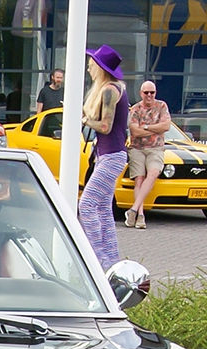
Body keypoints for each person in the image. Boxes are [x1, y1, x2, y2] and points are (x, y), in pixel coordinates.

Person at [77, 44, 129, 269]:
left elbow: (105, 127)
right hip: (109, 155)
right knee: (104, 209)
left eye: (91, 66)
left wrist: (85, 120)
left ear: (101, 68)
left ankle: (97, 260)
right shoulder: (116, 88)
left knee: (87, 205)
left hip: (111, 156)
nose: (89, 69)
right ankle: (110, 261)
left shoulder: (109, 90)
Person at [125, 79, 170, 229]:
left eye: (152, 92)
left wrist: (145, 126)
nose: (149, 95)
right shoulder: (135, 109)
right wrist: (154, 129)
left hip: (156, 148)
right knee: (139, 179)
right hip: (137, 148)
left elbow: (166, 126)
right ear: (141, 93)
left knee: (153, 173)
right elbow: (134, 131)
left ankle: (133, 210)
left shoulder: (162, 106)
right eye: (146, 92)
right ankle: (140, 216)